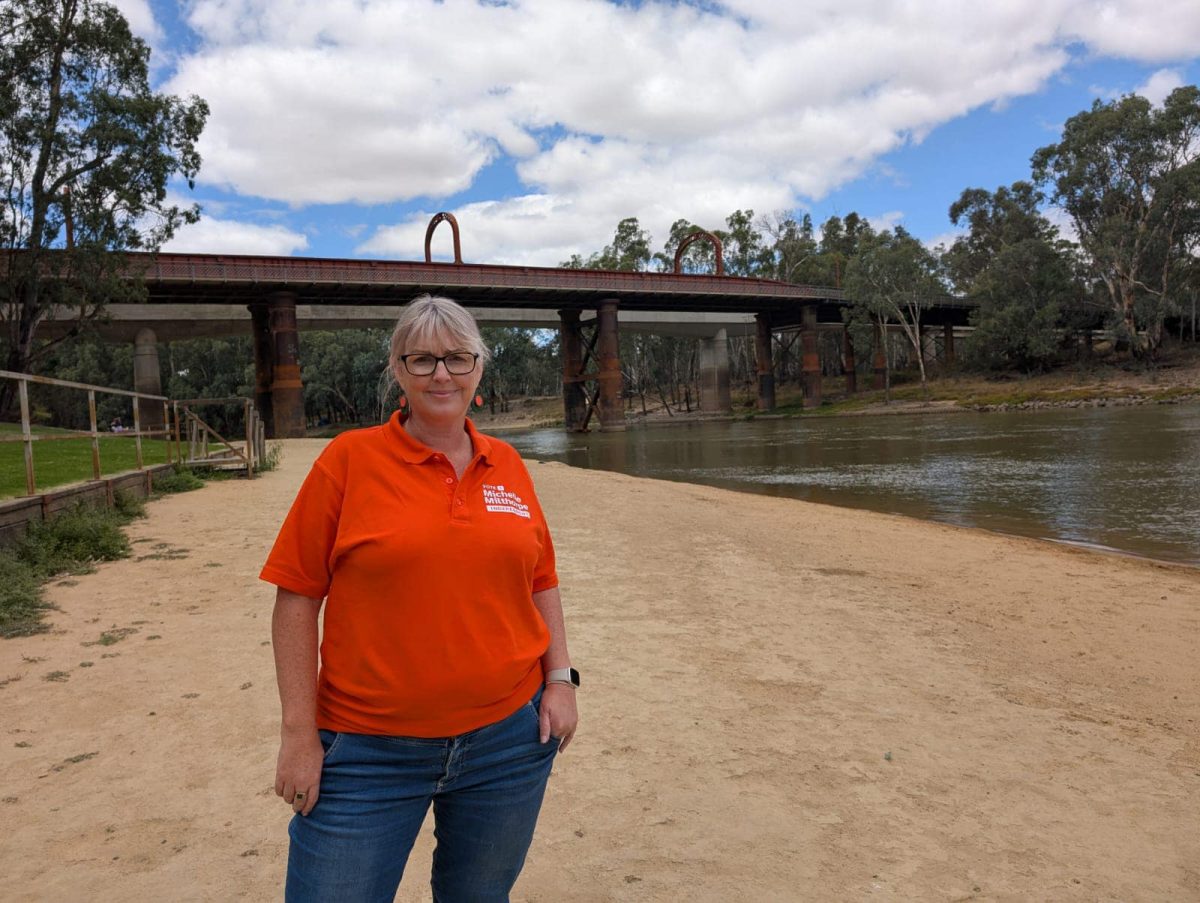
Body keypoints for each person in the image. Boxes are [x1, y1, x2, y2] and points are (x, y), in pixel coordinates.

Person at [260, 294, 579, 902]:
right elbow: (296, 598)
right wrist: (299, 735)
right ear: (398, 371)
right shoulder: (348, 461)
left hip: (507, 744)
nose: (442, 374)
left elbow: (541, 579)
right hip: (367, 749)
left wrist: (560, 682)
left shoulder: (507, 463)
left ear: (479, 368)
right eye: (423, 359)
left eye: (458, 358)